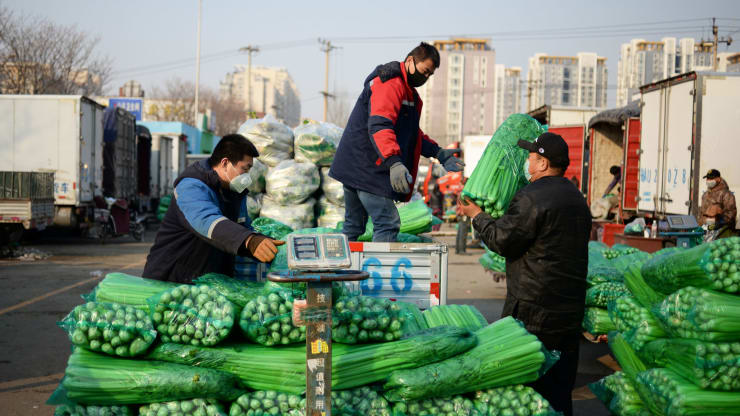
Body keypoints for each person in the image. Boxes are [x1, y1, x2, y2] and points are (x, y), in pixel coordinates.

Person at [457, 132, 591, 416]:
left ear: (542, 163)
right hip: (568, 312)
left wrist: (477, 215)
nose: (527, 162)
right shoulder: (577, 198)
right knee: (560, 390)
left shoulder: (531, 197)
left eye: (531, 157)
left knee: (530, 393)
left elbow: (503, 241)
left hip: (534, 311)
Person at [329, 42, 464, 242]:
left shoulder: (408, 93)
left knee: (354, 225)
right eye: (424, 71)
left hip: (355, 167)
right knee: (387, 223)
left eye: (430, 75)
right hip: (368, 168)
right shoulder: (390, 83)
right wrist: (394, 161)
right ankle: (377, 273)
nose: (425, 78)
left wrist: (438, 152)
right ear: (410, 61)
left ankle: (341, 271)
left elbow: (411, 134)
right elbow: (380, 126)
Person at [143, 134, 284, 283]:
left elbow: (241, 228)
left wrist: (267, 244)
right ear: (225, 163)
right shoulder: (191, 186)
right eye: (245, 169)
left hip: (207, 281)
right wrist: (249, 240)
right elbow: (207, 221)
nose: (247, 176)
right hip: (172, 278)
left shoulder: (234, 192)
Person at [699, 169, 737, 234]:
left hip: (720, 231)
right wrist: (700, 225)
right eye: (707, 178)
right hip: (705, 231)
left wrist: (719, 223)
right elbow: (702, 213)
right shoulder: (705, 195)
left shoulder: (726, 194)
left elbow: (731, 214)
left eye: (711, 178)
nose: (708, 180)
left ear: (718, 179)